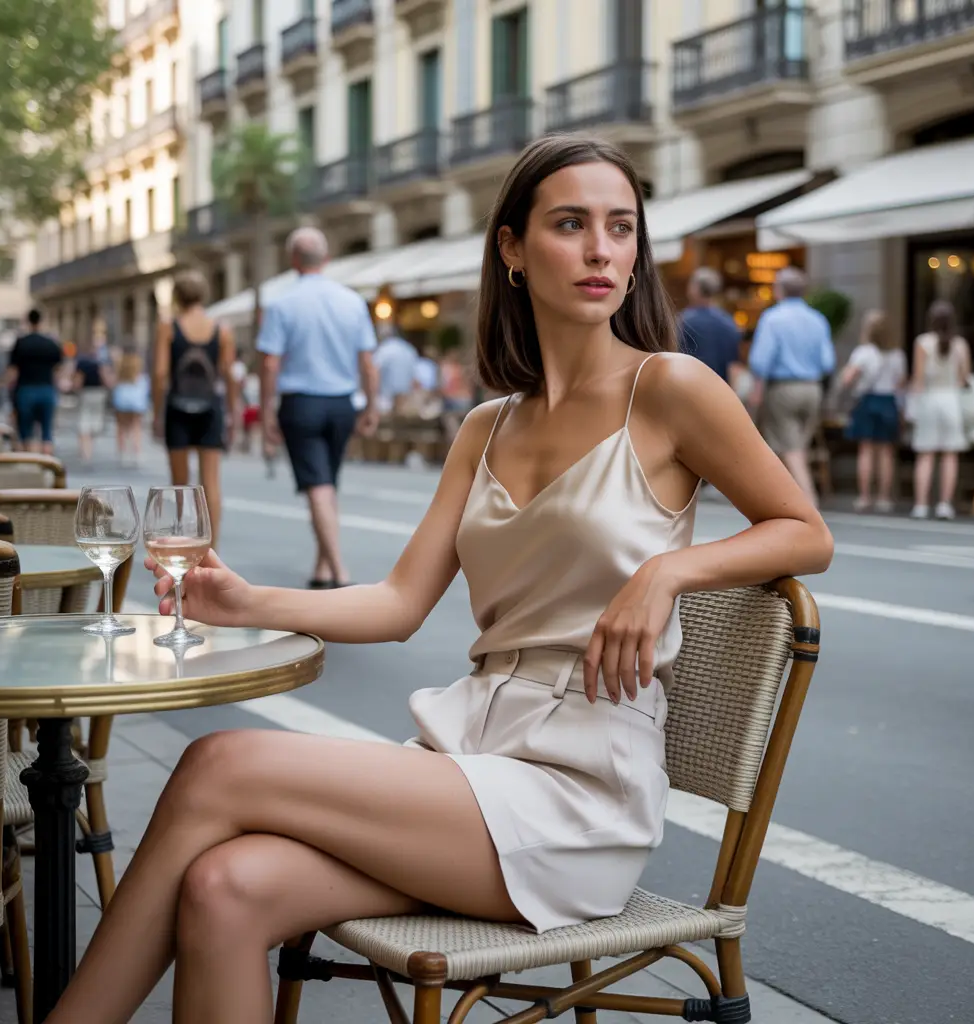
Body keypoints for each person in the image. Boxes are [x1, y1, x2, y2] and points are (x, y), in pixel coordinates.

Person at [46, 135, 833, 1024]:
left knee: (219, 761)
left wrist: (670, 569)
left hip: (578, 795)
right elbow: (398, 603)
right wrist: (246, 601)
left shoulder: (671, 388)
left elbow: (804, 532)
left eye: (621, 228)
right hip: (469, 761)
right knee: (226, 887)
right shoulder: (486, 427)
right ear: (512, 248)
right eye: (570, 224)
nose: (601, 250)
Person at [257, 226, 380, 590]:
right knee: (326, 484)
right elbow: (368, 363)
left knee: (319, 486)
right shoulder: (351, 301)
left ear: (293, 259)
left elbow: (269, 365)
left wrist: (266, 414)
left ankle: (340, 574)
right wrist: (371, 405)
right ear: (327, 259)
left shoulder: (281, 303)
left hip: (301, 403)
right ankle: (322, 569)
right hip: (342, 403)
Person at [152, 271, 238, 548]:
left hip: (178, 407)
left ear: (177, 296)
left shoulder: (169, 327)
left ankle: (182, 542)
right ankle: (212, 548)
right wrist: (233, 411)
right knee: (211, 481)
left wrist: (156, 411)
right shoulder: (221, 329)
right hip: (210, 407)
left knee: (180, 482)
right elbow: (228, 373)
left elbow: (160, 372)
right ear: (204, 294)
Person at [748, 267, 835, 505]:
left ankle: (809, 504)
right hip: (813, 388)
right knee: (797, 447)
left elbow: (760, 360)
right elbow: (828, 362)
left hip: (783, 389)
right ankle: (787, 503)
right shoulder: (818, 320)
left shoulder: (773, 318)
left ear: (779, 290)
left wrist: (757, 388)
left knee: (790, 449)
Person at [839, 310, 906, 514]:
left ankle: (864, 496)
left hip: (868, 400)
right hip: (888, 400)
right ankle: (884, 497)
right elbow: (901, 382)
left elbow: (848, 379)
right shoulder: (897, 354)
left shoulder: (863, 353)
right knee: (886, 451)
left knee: (866, 449)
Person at [909, 300, 970, 520]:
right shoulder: (960, 344)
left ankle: (921, 504)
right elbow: (965, 378)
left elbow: (917, 378)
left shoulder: (923, 342)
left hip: (929, 399)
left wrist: (911, 406)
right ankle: (945, 504)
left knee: (925, 454)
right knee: (949, 454)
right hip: (951, 400)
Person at [5, 309, 64, 454]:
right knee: (47, 432)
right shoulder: (51, 343)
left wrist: (3, 385)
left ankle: (30, 465)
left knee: (26, 432)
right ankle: (46, 467)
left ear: (28, 321)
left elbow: (13, 370)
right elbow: (59, 368)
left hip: (26, 389)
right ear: (41, 321)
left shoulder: (21, 343)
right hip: (46, 389)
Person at [679, 266, 741, 383]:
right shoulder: (728, 322)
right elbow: (734, 367)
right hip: (719, 389)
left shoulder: (684, 321)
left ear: (695, 289)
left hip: (690, 386)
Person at [74, 328, 113, 467]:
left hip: (87, 393)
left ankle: (85, 451)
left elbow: (78, 380)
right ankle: (87, 449)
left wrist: (75, 389)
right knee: (93, 422)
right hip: (98, 393)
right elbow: (107, 380)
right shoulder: (102, 361)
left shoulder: (83, 361)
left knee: (85, 422)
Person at [111, 347, 150, 467]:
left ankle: (122, 452)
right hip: (136, 403)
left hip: (121, 401)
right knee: (136, 427)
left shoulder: (121, 369)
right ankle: (136, 452)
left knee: (121, 428)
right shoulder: (137, 370)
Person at [373, 323, 419, 413]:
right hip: (405, 398)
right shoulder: (409, 349)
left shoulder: (383, 350)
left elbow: (374, 371)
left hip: (386, 399)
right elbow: (415, 377)